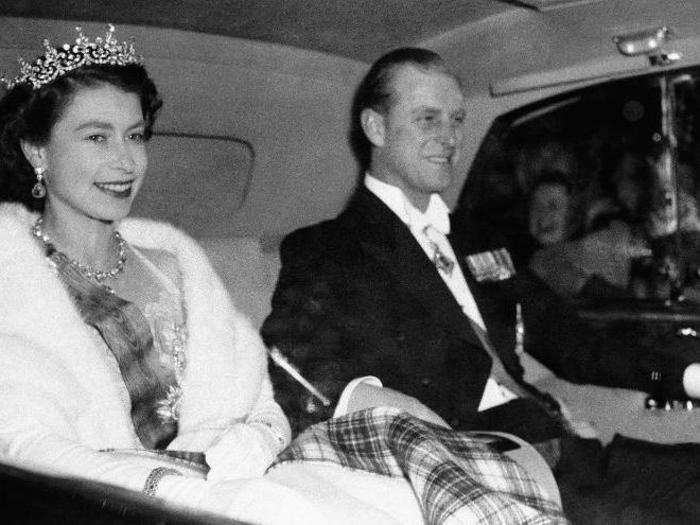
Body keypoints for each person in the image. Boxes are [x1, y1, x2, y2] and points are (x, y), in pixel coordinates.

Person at [0, 28, 566, 525]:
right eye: (97, 137)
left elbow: (265, 395)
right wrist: (164, 487)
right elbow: (27, 446)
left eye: (136, 135)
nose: (126, 162)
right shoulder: (14, 280)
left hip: (241, 475)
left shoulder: (176, 264)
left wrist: (253, 439)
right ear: (36, 151)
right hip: (111, 503)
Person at [261, 47, 700, 523]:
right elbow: (294, 363)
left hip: (570, 451)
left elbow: (576, 344)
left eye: (456, 120)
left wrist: (687, 375)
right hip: (482, 472)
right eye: (428, 119)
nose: (449, 137)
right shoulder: (329, 248)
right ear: (376, 128)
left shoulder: (478, 239)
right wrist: (388, 412)